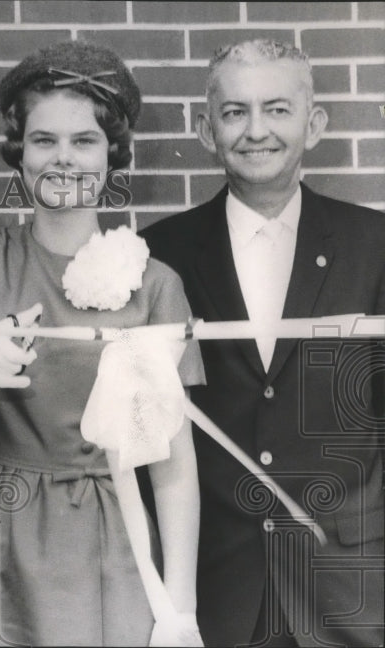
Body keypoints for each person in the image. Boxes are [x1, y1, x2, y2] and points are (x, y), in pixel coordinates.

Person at [0, 41, 205, 646]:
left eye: (85, 141)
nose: (63, 160)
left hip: (111, 533)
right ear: (19, 153)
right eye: (44, 139)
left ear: (113, 155)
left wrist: (180, 607)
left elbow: (174, 465)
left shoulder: (155, 285)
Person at [142, 39, 384, 647]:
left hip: (349, 586)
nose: (256, 131)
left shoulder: (376, 244)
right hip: (217, 589)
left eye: (277, 109)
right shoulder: (156, 254)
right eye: (234, 112)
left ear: (315, 123)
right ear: (205, 130)